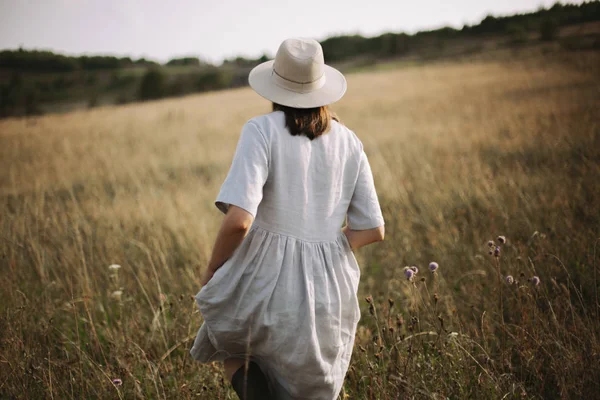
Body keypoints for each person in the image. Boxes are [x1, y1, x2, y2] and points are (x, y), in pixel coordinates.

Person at [190, 38, 385, 399]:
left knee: (235, 351)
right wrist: (326, 245)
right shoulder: (350, 141)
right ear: (320, 87)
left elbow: (239, 221)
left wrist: (213, 270)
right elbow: (373, 228)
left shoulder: (261, 130)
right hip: (330, 285)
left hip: (264, 278)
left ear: (275, 87)